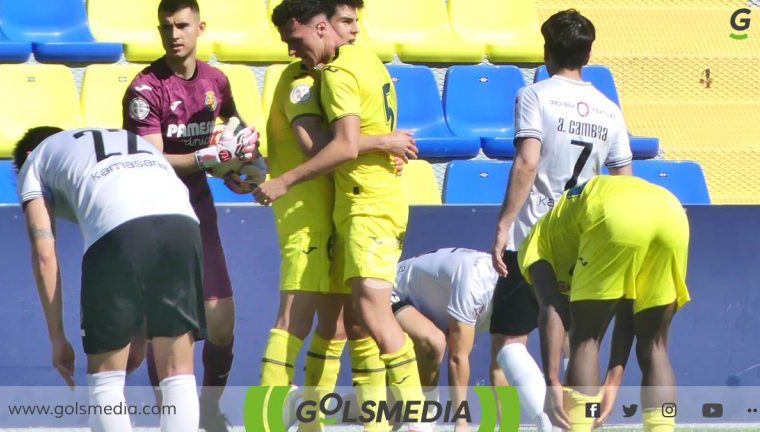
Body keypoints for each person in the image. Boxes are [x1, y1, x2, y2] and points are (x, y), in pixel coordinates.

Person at [257, 1, 429, 430]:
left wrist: (376, 144)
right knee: (312, 323)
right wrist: (383, 142)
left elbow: (342, 143)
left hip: (348, 206)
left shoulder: (341, 69)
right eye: (347, 22)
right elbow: (321, 146)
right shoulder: (305, 80)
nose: (354, 31)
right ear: (326, 24)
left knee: (350, 323)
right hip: (309, 213)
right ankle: (267, 419)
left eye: (355, 22)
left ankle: (364, 422)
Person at [488, 9, 633, 430]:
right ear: (587, 54)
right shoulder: (609, 110)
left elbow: (527, 161)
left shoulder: (535, 95)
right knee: (577, 339)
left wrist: (502, 226)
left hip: (533, 232)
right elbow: (622, 182)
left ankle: (542, 423)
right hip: (584, 236)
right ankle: (581, 420)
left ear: (546, 50)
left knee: (510, 343)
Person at [14, 127, 207, 432]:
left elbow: (44, 255)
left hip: (116, 232)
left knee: (106, 381)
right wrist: (140, 336)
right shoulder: (119, 141)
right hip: (183, 225)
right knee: (178, 374)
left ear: (25, 156)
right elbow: (148, 223)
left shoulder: (34, 160)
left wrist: (57, 338)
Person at [121, 1, 257, 430]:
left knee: (221, 325)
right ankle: (171, 419)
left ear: (200, 27)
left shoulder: (217, 81)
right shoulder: (145, 90)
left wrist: (239, 169)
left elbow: (236, 132)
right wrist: (210, 156)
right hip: (155, 214)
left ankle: (211, 408)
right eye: (166, 27)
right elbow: (154, 160)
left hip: (199, 209)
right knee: (166, 330)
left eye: (182, 25)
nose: (174, 34)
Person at [518, 175, 690, 432]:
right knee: (655, 348)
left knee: (585, 340)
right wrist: (612, 380)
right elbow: (627, 306)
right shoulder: (572, 234)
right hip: (672, 212)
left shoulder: (533, 248)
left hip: (614, 213)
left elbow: (552, 308)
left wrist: (553, 382)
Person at [390, 248, 508, 431]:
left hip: (430, 307)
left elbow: (500, 367)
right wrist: (461, 423)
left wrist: (509, 425)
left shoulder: (518, 300)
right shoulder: (475, 282)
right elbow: (457, 358)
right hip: (391, 290)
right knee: (435, 342)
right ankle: (422, 422)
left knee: (390, 414)